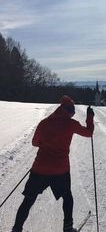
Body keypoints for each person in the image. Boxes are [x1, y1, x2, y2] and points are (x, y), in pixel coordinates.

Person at [12, 95, 95, 232]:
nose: (72, 114)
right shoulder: (70, 124)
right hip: (60, 170)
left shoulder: (44, 123)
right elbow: (89, 133)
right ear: (69, 111)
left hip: (40, 168)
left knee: (28, 200)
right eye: (72, 111)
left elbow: (34, 143)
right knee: (67, 198)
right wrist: (90, 117)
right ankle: (68, 228)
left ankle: (16, 228)